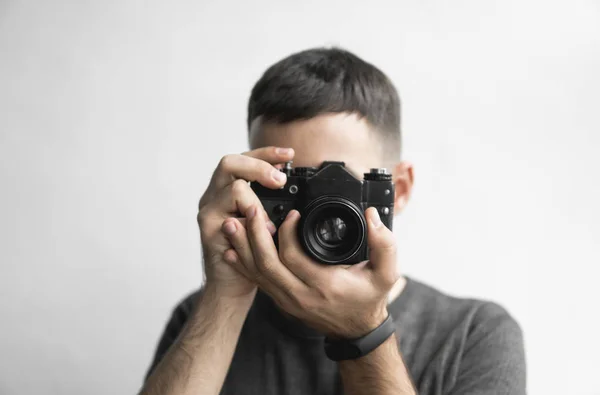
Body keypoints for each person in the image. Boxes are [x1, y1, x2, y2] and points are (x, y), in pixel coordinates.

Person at [139, 47, 526, 395]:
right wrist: (225, 294)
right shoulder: (201, 316)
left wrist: (365, 332)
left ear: (399, 190)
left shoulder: (473, 334)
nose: (313, 217)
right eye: (292, 185)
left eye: (339, 192)